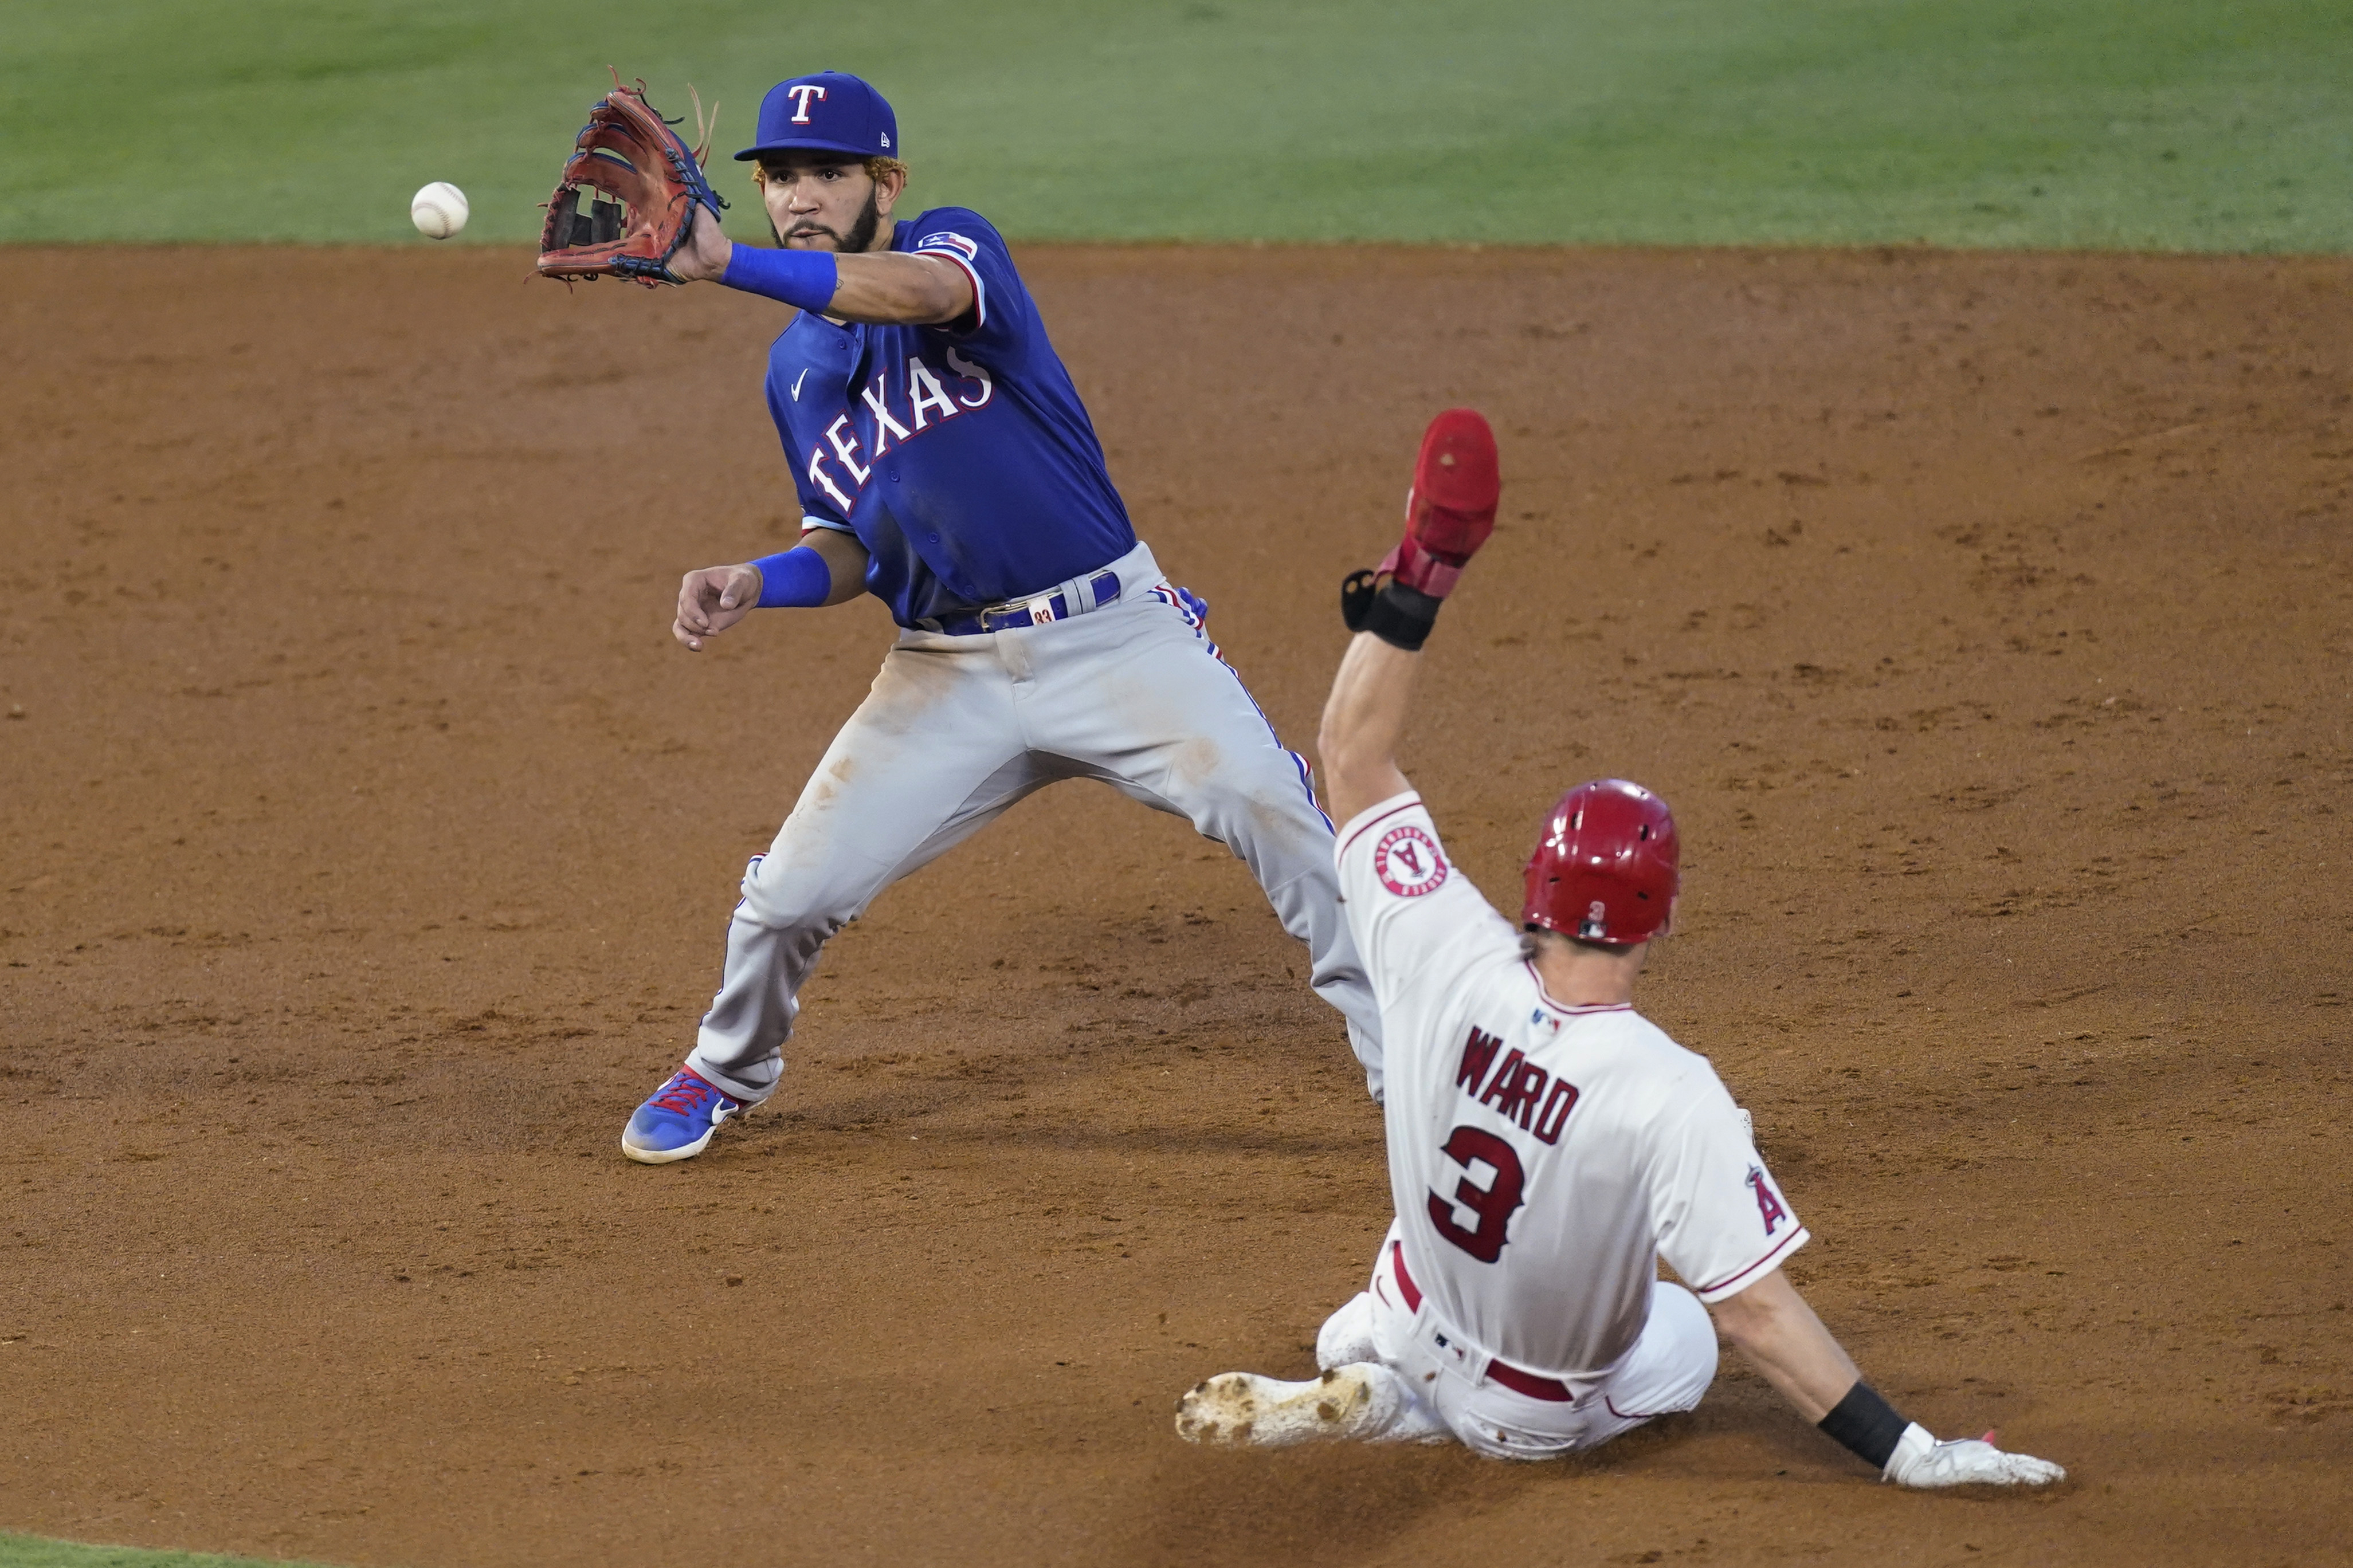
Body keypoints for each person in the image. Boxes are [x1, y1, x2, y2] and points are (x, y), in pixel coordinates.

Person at [1172, 410, 2065, 1487]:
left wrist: (1423, 573)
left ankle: (1374, 1369)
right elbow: (1758, 1318)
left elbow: (1350, 754)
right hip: (1522, 1416)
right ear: (1662, 917)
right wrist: (1910, 1451)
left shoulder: (1438, 942)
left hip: (1409, 1308)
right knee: (1682, 1328)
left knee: (1372, 1317)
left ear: (1532, 888)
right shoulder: (1670, 1093)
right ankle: (1411, 1415)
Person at [615, 71, 1382, 1162]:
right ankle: (724, 1069)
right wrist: (760, 578)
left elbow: (922, 297)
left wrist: (726, 262)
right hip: (946, 672)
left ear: (887, 180)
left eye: (828, 172)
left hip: (1116, 638)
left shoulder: (955, 246)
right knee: (789, 898)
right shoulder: (794, 373)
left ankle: (1418, 1073)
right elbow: (856, 542)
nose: (800, 196)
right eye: (781, 177)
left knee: (1273, 812)